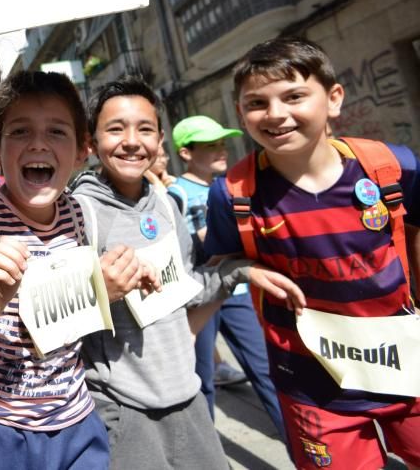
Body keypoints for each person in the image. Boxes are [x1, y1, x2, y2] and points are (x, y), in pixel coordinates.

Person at [202, 37, 420, 469]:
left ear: (333, 98)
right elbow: (219, 266)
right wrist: (245, 269)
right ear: (241, 113)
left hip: (409, 370)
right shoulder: (232, 195)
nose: (276, 114)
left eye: (294, 96)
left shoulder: (392, 168)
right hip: (312, 389)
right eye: (257, 103)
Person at [0, 71, 126, 469]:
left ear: (81, 150)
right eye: (20, 132)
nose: (38, 143)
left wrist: (105, 288)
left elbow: (68, 323)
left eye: (57, 131)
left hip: (77, 423)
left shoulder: (80, 213)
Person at [70, 77, 244, 469]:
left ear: (160, 139)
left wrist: (236, 273)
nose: (132, 141)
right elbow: (60, 321)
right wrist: (100, 289)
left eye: (145, 129)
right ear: (91, 141)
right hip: (122, 410)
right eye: (115, 129)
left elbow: (186, 293)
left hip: (188, 396)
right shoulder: (78, 212)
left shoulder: (166, 205)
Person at [167, 116, 286, 439]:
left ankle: (303, 452)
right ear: (186, 152)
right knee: (200, 379)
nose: (221, 151)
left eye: (221, 143)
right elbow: (174, 248)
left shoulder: (231, 187)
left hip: (238, 291)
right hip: (200, 295)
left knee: (266, 369)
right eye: (210, 146)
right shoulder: (175, 193)